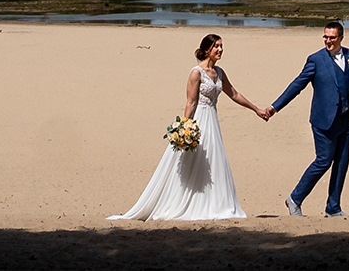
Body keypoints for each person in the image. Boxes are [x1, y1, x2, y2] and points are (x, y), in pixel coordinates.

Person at [109, 34, 271, 221]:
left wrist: (256, 109)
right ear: (207, 49)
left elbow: (233, 93)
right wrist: (184, 128)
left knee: (214, 161)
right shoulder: (196, 72)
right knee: (191, 161)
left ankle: (215, 204)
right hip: (198, 120)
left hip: (212, 121)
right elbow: (191, 102)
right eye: (216, 46)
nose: (220, 49)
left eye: (221, 46)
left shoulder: (219, 72)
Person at [263, 21, 349, 218]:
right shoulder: (315, 59)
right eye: (325, 37)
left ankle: (333, 207)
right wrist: (274, 107)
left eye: (332, 37)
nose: (328, 41)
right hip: (323, 121)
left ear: (341, 37)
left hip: (345, 119)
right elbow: (297, 85)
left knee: (341, 162)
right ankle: (294, 199)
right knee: (323, 161)